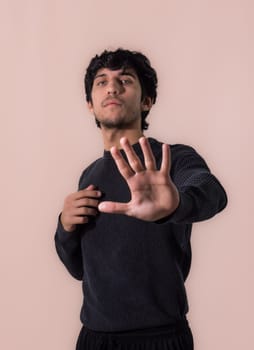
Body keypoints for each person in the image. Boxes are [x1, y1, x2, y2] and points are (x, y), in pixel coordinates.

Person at [54, 48, 227, 350]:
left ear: (147, 101)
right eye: (102, 81)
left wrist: (175, 205)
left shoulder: (172, 159)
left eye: (126, 80)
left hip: (161, 338)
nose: (112, 87)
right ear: (90, 105)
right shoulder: (88, 176)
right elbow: (80, 269)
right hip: (96, 339)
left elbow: (211, 191)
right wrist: (64, 227)